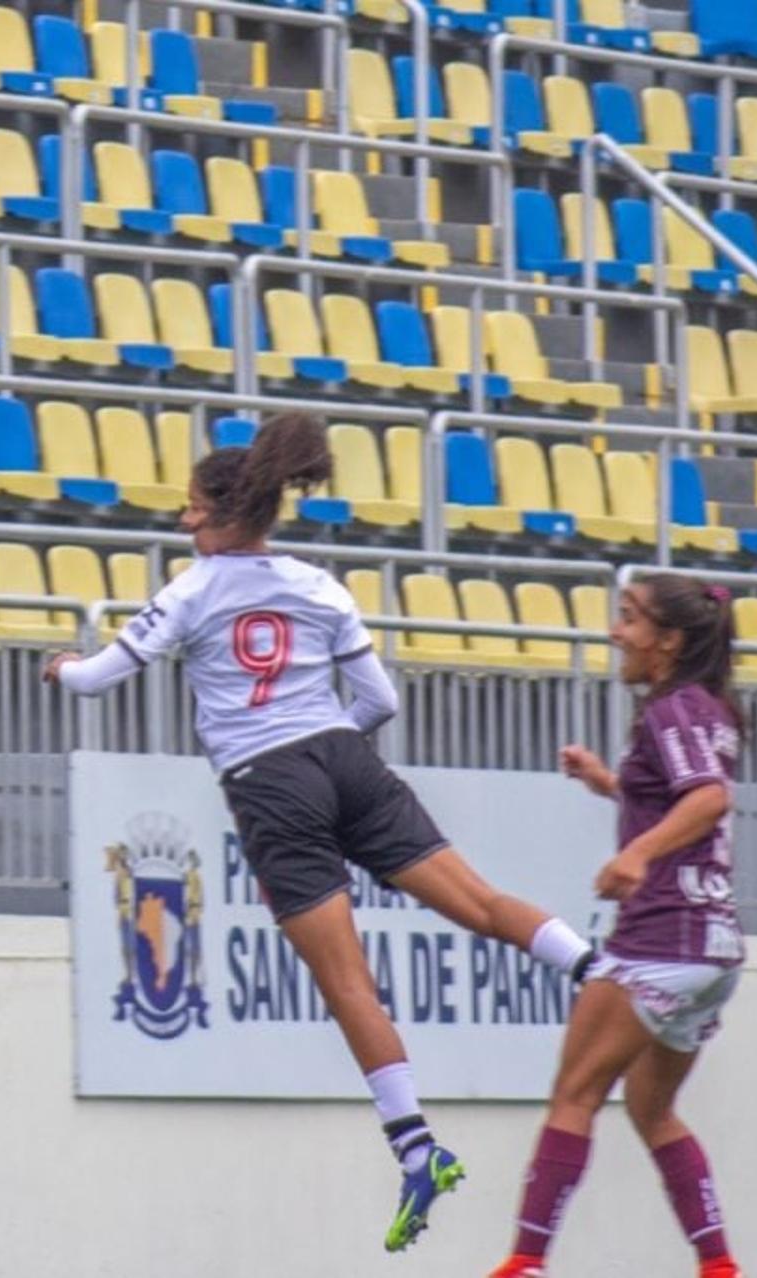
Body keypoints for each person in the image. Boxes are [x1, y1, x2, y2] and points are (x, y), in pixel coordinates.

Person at [43, 413, 597, 1254]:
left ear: (225, 511)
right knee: (480, 903)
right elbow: (382, 704)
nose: (183, 520)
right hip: (346, 758)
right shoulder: (319, 584)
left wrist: (59, 668)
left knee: (347, 983)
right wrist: (327, 738)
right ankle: (597, 969)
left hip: (271, 783)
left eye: (191, 507)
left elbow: (93, 682)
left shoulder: (189, 591)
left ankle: (416, 1146)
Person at [491, 574, 746, 1278]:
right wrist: (611, 783)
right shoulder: (711, 709)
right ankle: (718, 1265)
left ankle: (525, 1263)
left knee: (574, 1094)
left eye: (629, 619)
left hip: (662, 937)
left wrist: (635, 852)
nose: (615, 632)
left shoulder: (672, 710)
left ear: (668, 641)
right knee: (651, 1107)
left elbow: (707, 798)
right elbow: (680, 793)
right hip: (715, 953)